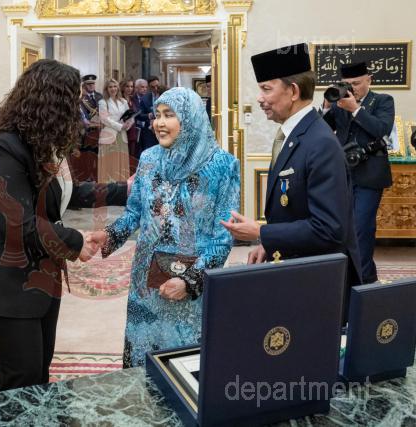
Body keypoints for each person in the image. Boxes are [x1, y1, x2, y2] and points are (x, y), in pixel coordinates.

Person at [0, 59, 127, 393]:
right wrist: (76, 241)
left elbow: (66, 193)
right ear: (50, 101)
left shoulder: (41, 141)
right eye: (72, 100)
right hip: (2, 280)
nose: (78, 109)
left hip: (40, 276)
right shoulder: (5, 146)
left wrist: (125, 189)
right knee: (19, 379)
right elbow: (18, 223)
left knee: (38, 372)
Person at [90, 87, 240, 368]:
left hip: (191, 286)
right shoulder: (149, 159)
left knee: (185, 367)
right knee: (144, 366)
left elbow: (223, 237)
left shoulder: (223, 166)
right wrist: (110, 234)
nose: (159, 123)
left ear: (190, 117)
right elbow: (134, 213)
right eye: (157, 115)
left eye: (169, 115)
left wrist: (190, 281)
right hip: (146, 284)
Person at [220, 43, 362, 304]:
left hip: (319, 283)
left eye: (266, 89)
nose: (259, 98)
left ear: (294, 91)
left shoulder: (320, 143)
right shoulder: (296, 134)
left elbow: (329, 229)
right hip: (298, 272)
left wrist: (261, 232)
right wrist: (270, 244)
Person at [321, 62, 394, 284]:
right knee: (343, 228)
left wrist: (355, 109)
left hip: (370, 174)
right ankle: (354, 276)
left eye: (357, 83)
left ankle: (362, 281)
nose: (352, 88)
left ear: (369, 80)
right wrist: (326, 107)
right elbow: (322, 130)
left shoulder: (382, 101)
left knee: (362, 227)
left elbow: (381, 129)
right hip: (343, 173)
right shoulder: (340, 103)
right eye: (347, 83)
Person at [97, 79, 132, 184]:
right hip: (109, 136)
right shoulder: (103, 102)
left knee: (121, 161)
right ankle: (108, 186)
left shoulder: (123, 101)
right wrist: (120, 126)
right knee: (110, 162)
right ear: (106, 89)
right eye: (110, 87)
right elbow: (104, 119)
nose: (113, 89)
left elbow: (130, 116)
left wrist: (128, 125)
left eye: (115, 86)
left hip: (122, 136)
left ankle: (121, 186)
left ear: (118, 88)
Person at [137, 76, 160, 155]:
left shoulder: (166, 96)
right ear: (149, 88)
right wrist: (148, 116)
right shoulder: (145, 99)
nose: (156, 89)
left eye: (157, 86)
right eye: (153, 87)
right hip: (150, 132)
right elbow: (139, 115)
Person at [121, 77, 139, 174]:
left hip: (132, 130)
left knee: (132, 153)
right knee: (124, 154)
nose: (130, 89)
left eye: (131, 86)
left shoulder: (133, 99)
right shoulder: (120, 100)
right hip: (123, 129)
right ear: (123, 87)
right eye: (127, 86)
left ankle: (130, 173)